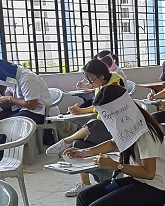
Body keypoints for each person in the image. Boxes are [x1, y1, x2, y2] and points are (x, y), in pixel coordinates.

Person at [46, 58, 123, 196]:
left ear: (102, 76)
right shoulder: (100, 85)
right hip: (103, 127)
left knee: (94, 124)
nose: (90, 82)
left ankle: (65, 141)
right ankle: (84, 184)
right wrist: (81, 111)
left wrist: (85, 109)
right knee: (78, 144)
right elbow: (96, 108)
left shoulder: (115, 83)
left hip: (115, 129)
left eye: (91, 79)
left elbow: (105, 107)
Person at [0, 53, 53, 164]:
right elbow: (10, 91)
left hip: (38, 112)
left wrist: (10, 99)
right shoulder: (13, 77)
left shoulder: (28, 78)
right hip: (23, 109)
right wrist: (1, 96)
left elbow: (32, 105)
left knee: (8, 123)